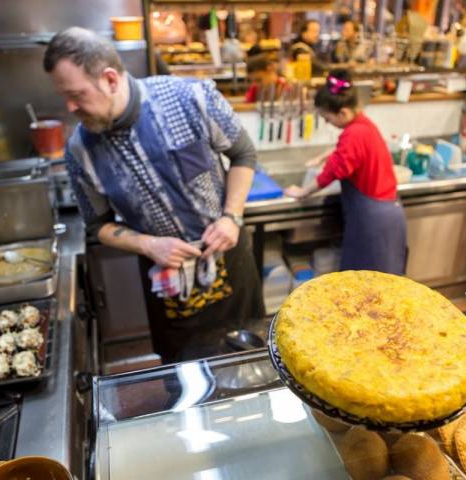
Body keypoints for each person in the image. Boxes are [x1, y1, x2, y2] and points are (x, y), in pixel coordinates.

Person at [43, 27, 264, 363]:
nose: (70, 106)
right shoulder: (80, 152)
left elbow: (244, 154)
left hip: (229, 259)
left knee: (249, 358)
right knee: (183, 371)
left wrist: (231, 216)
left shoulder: (191, 98)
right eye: (63, 96)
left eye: (77, 94)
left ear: (110, 79)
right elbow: (97, 226)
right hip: (166, 277)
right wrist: (149, 245)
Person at [284, 69, 407, 274]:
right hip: (386, 214)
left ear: (343, 113)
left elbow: (333, 171)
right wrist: (325, 155)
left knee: (368, 286)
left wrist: (303, 192)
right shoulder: (362, 123)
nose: (327, 123)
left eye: (327, 118)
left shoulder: (354, 133)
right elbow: (350, 152)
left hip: (373, 222)